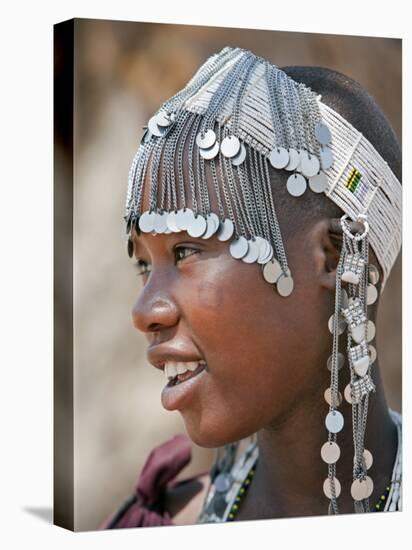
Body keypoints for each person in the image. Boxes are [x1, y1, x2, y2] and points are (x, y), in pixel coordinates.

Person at [100, 47, 402, 528]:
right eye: (143, 265)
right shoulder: (158, 524)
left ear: (337, 256)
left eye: (186, 250)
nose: (144, 312)